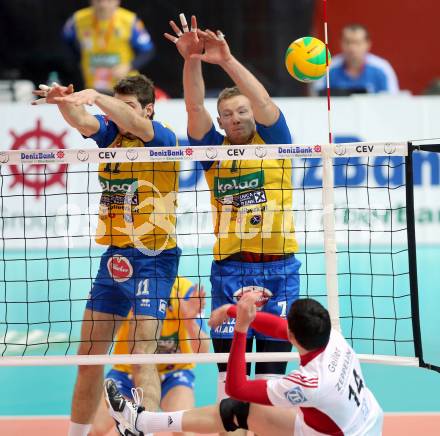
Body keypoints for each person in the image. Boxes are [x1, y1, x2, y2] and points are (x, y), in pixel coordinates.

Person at [164, 13, 301, 405]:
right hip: (229, 269)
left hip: (279, 269)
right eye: (228, 114)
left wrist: (225, 59)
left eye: (242, 111)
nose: (237, 117)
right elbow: (193, 109)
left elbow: (262, 99)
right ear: (221, 121)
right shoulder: (213, 151)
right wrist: (191, 58)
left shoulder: (275, 139)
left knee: (272, 376)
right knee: (232, 380)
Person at [32, 74, 180, 436]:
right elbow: (84, 121)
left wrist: (96, 96)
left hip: (154, 257)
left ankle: (147, 431)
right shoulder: (110, 136)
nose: (118, 115)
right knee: (89, 358)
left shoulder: (161, 137)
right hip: (115, 257)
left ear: (147, 109)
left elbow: (131, 122)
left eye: (128, 106)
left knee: (142, 355)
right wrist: (64, 101)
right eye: (117, 106)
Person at [105, 293, 384, 435]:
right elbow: (279, 327)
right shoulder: (333, 337)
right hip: (359, 421)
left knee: (236, 402)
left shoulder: (310, 382)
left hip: (345, 432)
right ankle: (140, 421)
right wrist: (231, 310)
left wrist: (240, 327)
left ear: (293, 336)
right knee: (234, 412)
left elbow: (237, 386)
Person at [90, 276, 209, 436]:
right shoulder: (125, 287)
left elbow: (203, 350)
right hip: (128, 373)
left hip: (172, 373)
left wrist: (188, 320)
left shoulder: (185, 290)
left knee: (184, 431)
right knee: (95, 430)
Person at [62, 0, 155, 94]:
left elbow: (147, 51)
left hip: (125, 87)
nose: (103, 5)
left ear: (117, 1)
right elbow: (66, 44)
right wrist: (79, 62)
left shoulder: (130, 20)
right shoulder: (77, 20)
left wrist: (129, 66)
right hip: (91, 88)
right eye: (99, 1)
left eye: (109, 1)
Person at [313, 23, 399, 95]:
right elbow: (316, 98)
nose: (352, 48)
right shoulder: (328, 67)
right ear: (340, 43)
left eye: (357, 43)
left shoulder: (382, 68)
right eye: (348, 42)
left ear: (367, 44)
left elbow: (393, 101)